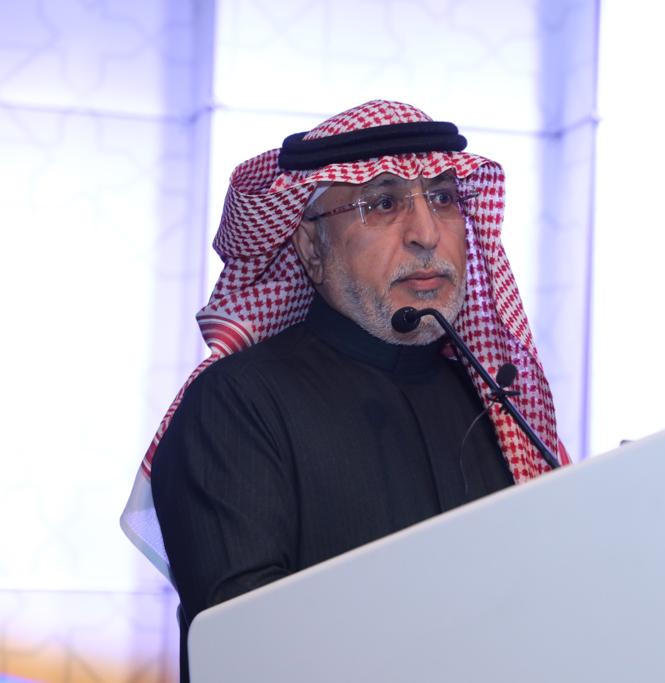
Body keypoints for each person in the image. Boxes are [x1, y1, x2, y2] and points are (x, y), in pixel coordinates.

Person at [119, 99, 569, 680]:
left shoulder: (495, 405)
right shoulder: (238, 405)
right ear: (311, 247)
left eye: (443, 198)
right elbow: (251, 652)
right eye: (382, 203)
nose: (427, 234)